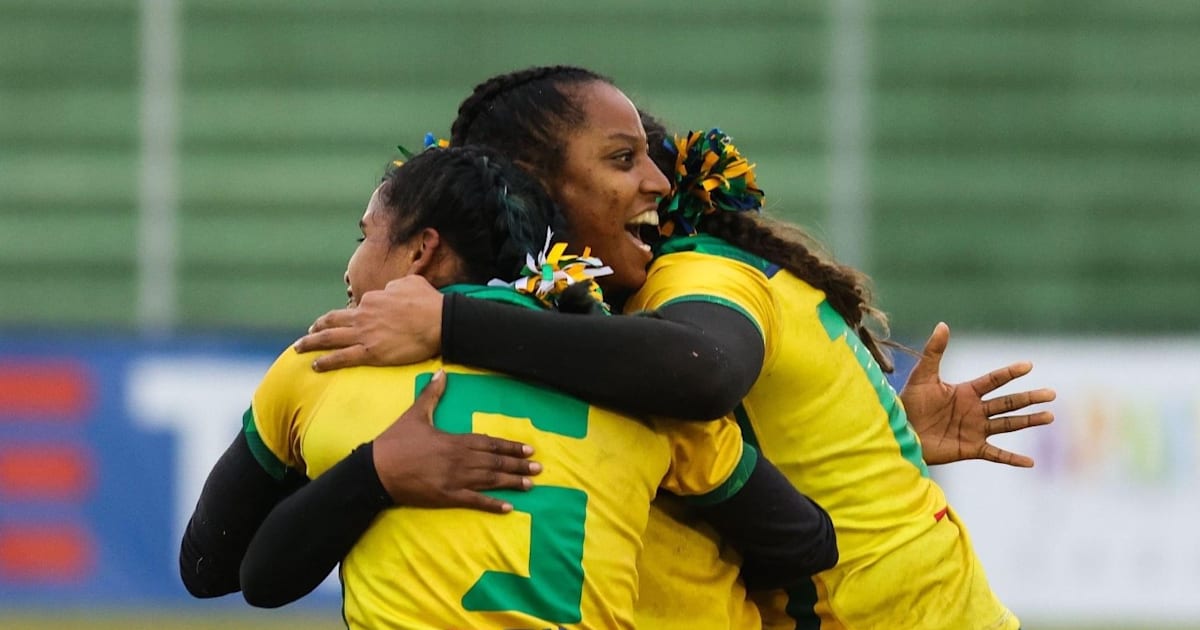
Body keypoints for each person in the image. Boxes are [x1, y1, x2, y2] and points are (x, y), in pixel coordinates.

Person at [294, 65, 1055, 629]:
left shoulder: (694, 275)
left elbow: (703, 374)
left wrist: (449, 323)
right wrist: (870, 437)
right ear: (537, 185)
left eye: (644, 158)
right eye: (622, 161)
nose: (658, 180)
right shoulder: (606, 309)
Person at [184, 144, 837, 629]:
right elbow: (803, 542)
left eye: (364, 238)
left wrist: (372, 477)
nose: (350, 265)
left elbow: (217, 570)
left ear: (421, 252)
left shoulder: (325, 359)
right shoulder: (637, 386)